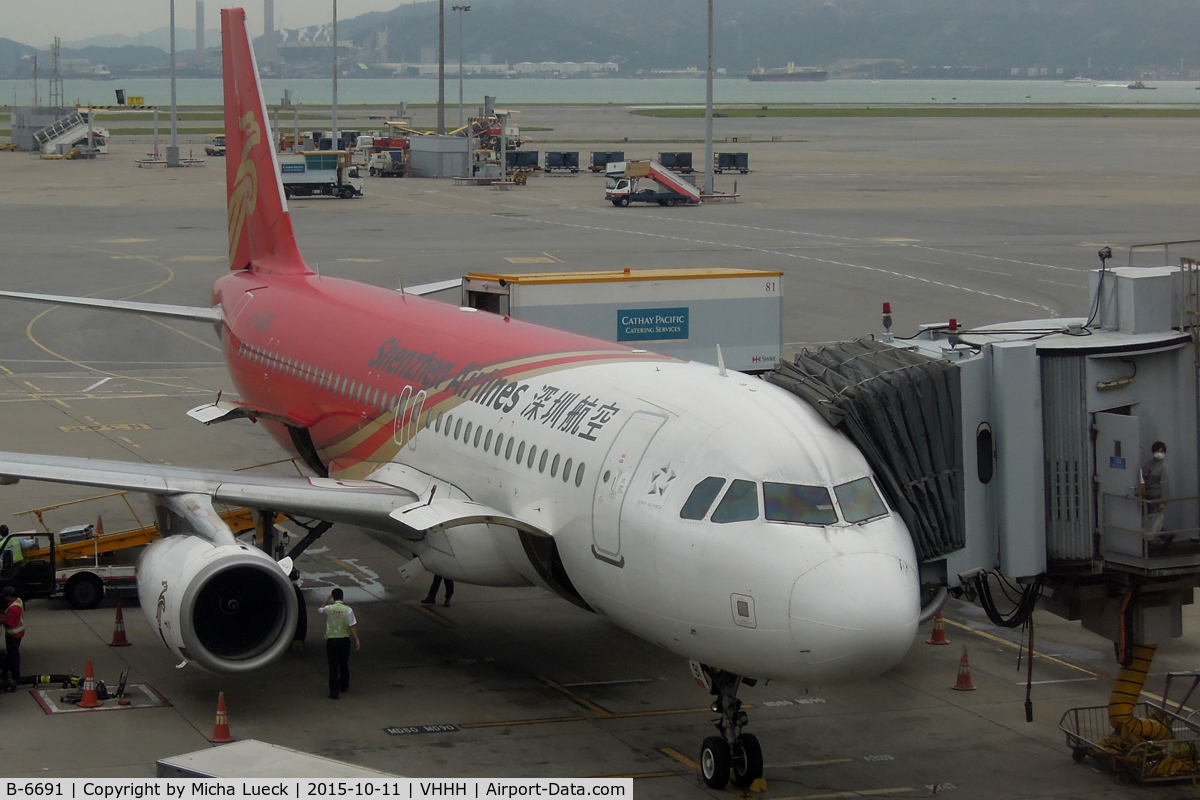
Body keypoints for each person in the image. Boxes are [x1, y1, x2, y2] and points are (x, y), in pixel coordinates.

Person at [317, 588, 359, 699]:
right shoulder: (348, 610)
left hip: (331, 641)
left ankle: (334, 693)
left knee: (333, 666)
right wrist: (357, 639)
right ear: (343, 597)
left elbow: (320, 610)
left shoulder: (329, 608)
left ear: (333, 597)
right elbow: (352, 625)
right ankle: (344, 686)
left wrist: (326, 599)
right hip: (344, 640)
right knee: (344, 664)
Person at [1142, 441, 1170, 541]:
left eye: (1162, 451)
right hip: (1147, 495)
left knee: (1153, 519)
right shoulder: (1149, 463)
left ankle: (1150, 541)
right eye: (1158, 451)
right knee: (1150, 519)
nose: (1160, 453)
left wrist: (1162, 501)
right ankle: (1166, 536)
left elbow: (1164, 485)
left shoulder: (1164, 467)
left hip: (1156, 496)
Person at [2, 586, 24, 684]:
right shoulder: (18, 601)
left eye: (6, 596)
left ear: (9, 596)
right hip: (18, 633)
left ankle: (16, 677)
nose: (4, 598)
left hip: (13, 635)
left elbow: (7, 622)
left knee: (13, 656)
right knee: (10, 654)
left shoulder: (14, 608)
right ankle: (5, 672)